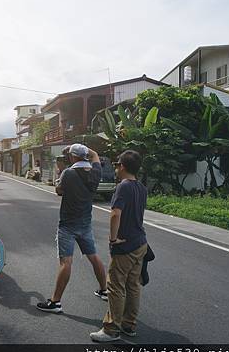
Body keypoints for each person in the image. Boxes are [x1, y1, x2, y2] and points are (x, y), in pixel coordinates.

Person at [36, 144, 108, 313]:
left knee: (66, 262)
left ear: (73, 157)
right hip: (85, 223)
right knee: (93, 257)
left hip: (68, 225)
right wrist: (84, 149)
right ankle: (104, 290)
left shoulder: (68, 173)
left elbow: (59, 190)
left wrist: (59, 174)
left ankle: (55, 302)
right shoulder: (95, 171)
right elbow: (95, 154)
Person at [90, 150, 148, 342]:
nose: (115, 168)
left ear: (122, 166)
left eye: (116, 164)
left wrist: (113, 240)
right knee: (133, 285)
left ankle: (111, 329)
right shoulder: (141, 187)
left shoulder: (123, 187)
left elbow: (116, 214)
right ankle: (129, 325)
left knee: (115, 286)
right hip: (140, 243)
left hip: (125, 245)